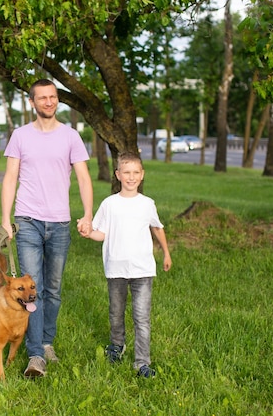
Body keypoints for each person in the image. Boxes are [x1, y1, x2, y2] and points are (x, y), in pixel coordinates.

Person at [1, 78, 93, 378]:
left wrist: (88, 214)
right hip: (27, 221)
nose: (49, 102)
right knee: (33, 290)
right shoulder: (20, 135)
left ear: (58, 100)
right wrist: (6, 219)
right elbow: (10, 177)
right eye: (42, 98)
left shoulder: (70, 136)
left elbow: (83, 177)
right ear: (32, 102)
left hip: (60, 223)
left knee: (53, 290)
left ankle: (47, 341)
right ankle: (36, 354)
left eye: (53, 97)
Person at [83, 151, 172, 378]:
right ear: (118, 175)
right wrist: (87, 232)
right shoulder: (110, 204)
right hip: (116, 269)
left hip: (142, 270)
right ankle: (117, 346)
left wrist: (166, 254)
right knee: (116, 312)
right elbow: (101, 233)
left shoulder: (147, 204)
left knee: (141, 317)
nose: (131, 177)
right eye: (126, 172)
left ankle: (142, 362)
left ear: (142, 175)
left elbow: (157, 228)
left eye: (135, 172)